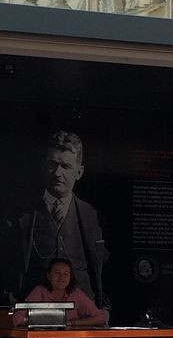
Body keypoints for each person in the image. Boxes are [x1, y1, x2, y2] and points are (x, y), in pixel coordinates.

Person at [14, 130, 107, 307]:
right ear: (43, 165)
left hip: (82, 313)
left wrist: (105, 309)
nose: (58, 173)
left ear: (79, 172)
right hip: (36, 312)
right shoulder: (21, 217)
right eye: (53, 164)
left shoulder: (94, 217)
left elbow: (105, 270)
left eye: (66, 166)